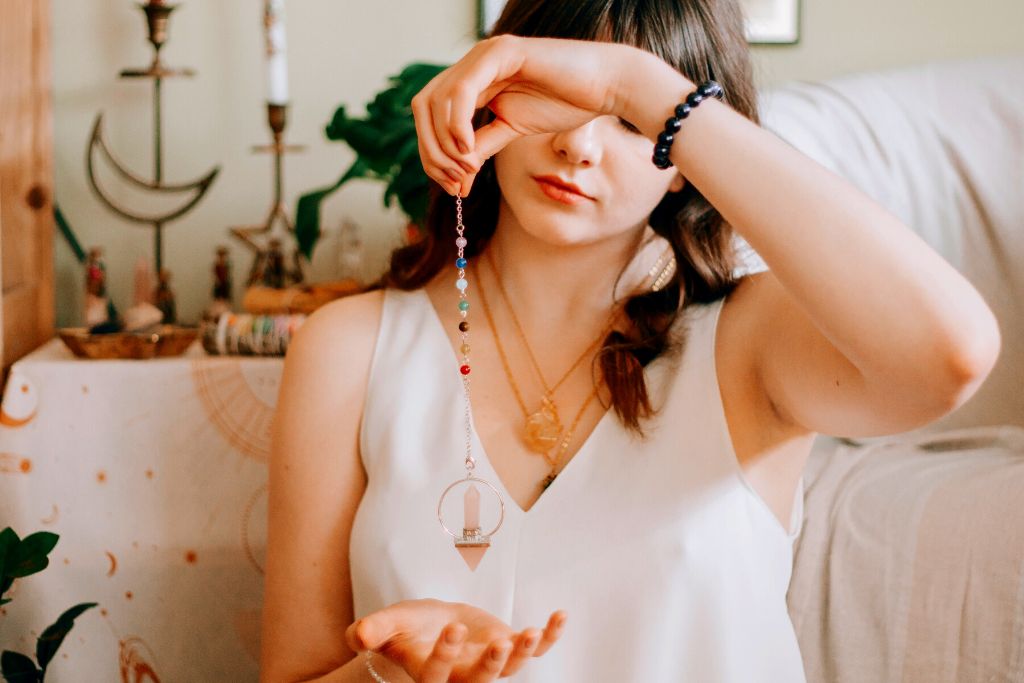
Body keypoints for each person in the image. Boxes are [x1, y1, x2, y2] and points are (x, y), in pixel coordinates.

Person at [259, 1, 1001, 681]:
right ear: (493, 90)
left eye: (627, 122)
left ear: (684, 164)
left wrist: (641, 85)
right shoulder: (348, 349)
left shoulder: (750, 345)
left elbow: (951, 354)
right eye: (563, 97)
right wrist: (389, 674)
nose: (580, 144)